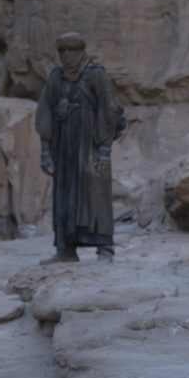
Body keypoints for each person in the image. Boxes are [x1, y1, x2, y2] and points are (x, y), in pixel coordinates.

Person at [36, 32, 125, 264]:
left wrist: (104, 148)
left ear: (81, 51)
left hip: (91, 146)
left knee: (96, 193)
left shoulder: (96, 75)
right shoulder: (56, 78)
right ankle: (65, 250)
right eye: (62, 50)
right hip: (64, 147)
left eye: (72, 49)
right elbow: (44, 113)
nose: (67, 55)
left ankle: (105, 248)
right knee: (65, 195)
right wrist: (46, 150)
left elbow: (110, 110)